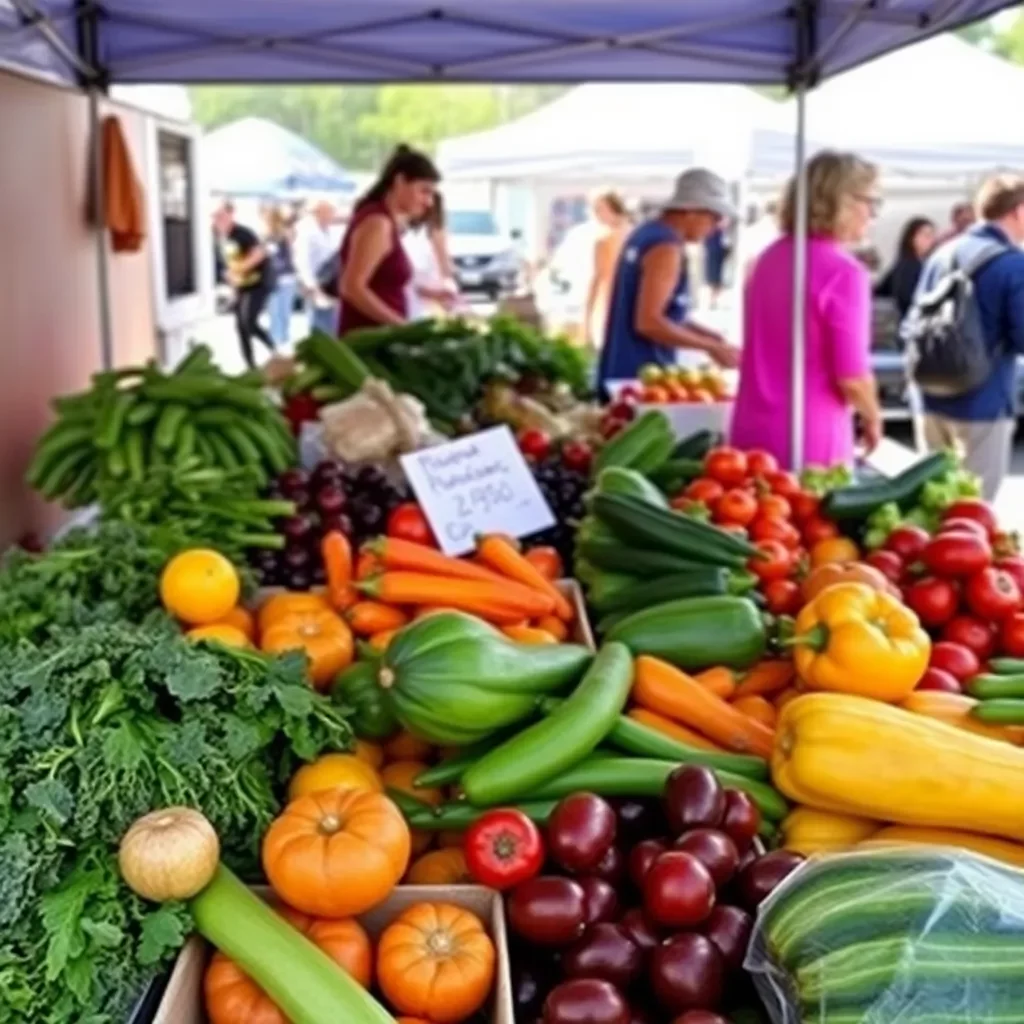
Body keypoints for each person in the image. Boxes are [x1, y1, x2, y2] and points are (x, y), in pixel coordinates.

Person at [730, 150, 884, 469]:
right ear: (841, 201)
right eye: (871, 202)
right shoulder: (844, 272)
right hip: (809, 436)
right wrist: (872, 415)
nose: (872, 213)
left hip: (749, 429)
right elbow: (852, 376)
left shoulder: (766, 260)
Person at [913, 175, 1024, 501]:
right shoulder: (1012, 263)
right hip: (982, 399)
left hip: (928, 393)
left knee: (930, 508)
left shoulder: (941, 253)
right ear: (1018, 211)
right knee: (971, 517)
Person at [597, 169, 740, 397]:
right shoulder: (666, 248)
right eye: (714, 217)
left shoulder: (644, 233)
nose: (716, 227)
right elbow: (649, 322)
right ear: (691, 211)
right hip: (640, 380)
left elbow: (668, 313)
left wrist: (710, 337)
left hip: (620, 371)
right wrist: (709, 347)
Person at [337, 145, 440, 335]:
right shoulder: (378, 223)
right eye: (424, 191)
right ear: (400, 181)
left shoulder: (385, 221)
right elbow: (351, 286)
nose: (429, 202)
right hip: (368, 343)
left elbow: (382, 283)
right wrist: (402, 327)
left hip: (380, 338)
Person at [213, 201, 276, 369]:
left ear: (231, 215)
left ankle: (275, 350)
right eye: (215, 217)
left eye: (221, 216)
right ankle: (250, 366)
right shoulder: (221, 238)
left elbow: (259, 254)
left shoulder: (242, 233)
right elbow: (230, 265)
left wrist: (239, 269)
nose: (218, 220)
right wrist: (233, 284)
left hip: (259, 282)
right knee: (240, 327)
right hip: (243, 286)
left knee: (249, 322)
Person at [584, 190, 631, 348]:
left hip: (611, 303)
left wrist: (588, 315)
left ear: (613, 207)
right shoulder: (637, 234)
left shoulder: (604, 240)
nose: (596, 214)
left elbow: (598, 278)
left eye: (599, 209)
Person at [404, 193, 459, 320]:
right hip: (428, 286)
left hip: (419, 287)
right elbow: (444, 264)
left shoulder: (410, 231)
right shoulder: (435, 230)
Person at [294, 197, 340, 335]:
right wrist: (311, 285)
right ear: (318, 212)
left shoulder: (330, 232)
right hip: (315, 286)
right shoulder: (307, 232)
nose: (332, 215)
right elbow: (301, 261)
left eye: (332, 211)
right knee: (318, 327)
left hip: (329, 285)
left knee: (331, 326)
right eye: (329, 211)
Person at [875, 217, 936, 319]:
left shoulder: (910, 263)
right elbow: (907, 298)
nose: (930, 240)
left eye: (931, 236)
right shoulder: (909, 266)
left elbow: (881, 290)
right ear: (911, 238)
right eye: (926, 236)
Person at [264, 206, 298, 347]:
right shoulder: (284, 235)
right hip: (287, 278)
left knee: (276, 312)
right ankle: (282, 340)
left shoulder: (274, 236)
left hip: (277, 278)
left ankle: (278, 341)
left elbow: (270, 257)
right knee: (283, 312)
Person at [703, 223, 730, 309]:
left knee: (717, 281)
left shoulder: (717, 232)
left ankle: (714, 301)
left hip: (717, 256)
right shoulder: (715, 231)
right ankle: (713, 301)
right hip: (716, 257)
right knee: (716, 281)